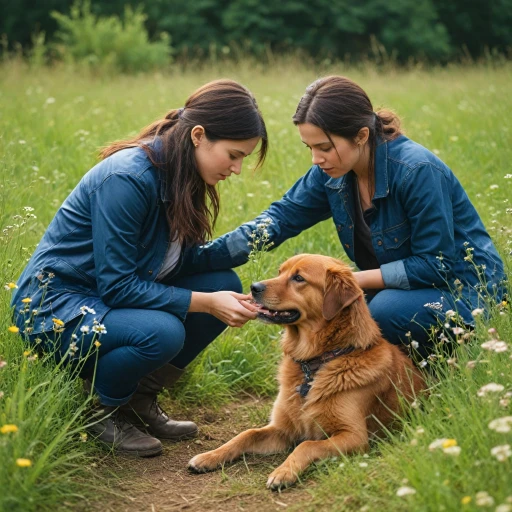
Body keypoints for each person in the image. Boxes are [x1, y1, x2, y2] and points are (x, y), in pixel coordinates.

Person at [11, 79, 265, 457]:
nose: (238, 168)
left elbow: (170, 261)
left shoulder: (183, 170)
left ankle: (137, 399)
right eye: (233, 154)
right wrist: (206, 302)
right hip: (55, 308)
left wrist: (248, 242)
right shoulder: (128, 178)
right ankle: (99, 409)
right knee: (162, 332)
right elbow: (118, 287)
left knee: (222, 281)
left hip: (101, 298)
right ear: (198, 135)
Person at [181, 75, 507, 359]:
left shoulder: (416, 171)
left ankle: (423, 377)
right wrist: (193, 261)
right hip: (399, 290)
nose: (315, 159)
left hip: (462, 295)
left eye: (323, 147)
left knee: (378, 309)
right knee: (335, 302)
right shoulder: (331, 173)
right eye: (309, 147)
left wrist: (350, 283)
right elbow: (278, 220)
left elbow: (436, 265)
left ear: (362, 136)